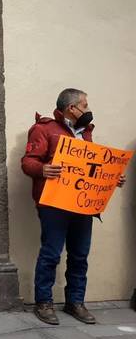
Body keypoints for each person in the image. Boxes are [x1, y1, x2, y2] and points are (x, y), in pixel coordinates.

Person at [21, 88, 126, 325]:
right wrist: (42, 169)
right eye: (85, 105)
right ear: (72, 108)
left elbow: (91, 167)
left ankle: (75, 302)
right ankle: (44, 303)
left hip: (82, 204)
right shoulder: (44, 129)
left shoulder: (86, 132)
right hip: (54, 204)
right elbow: (28, 162)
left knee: (80, 255)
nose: (88, 110)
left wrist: (111, 177)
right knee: (51, 253)